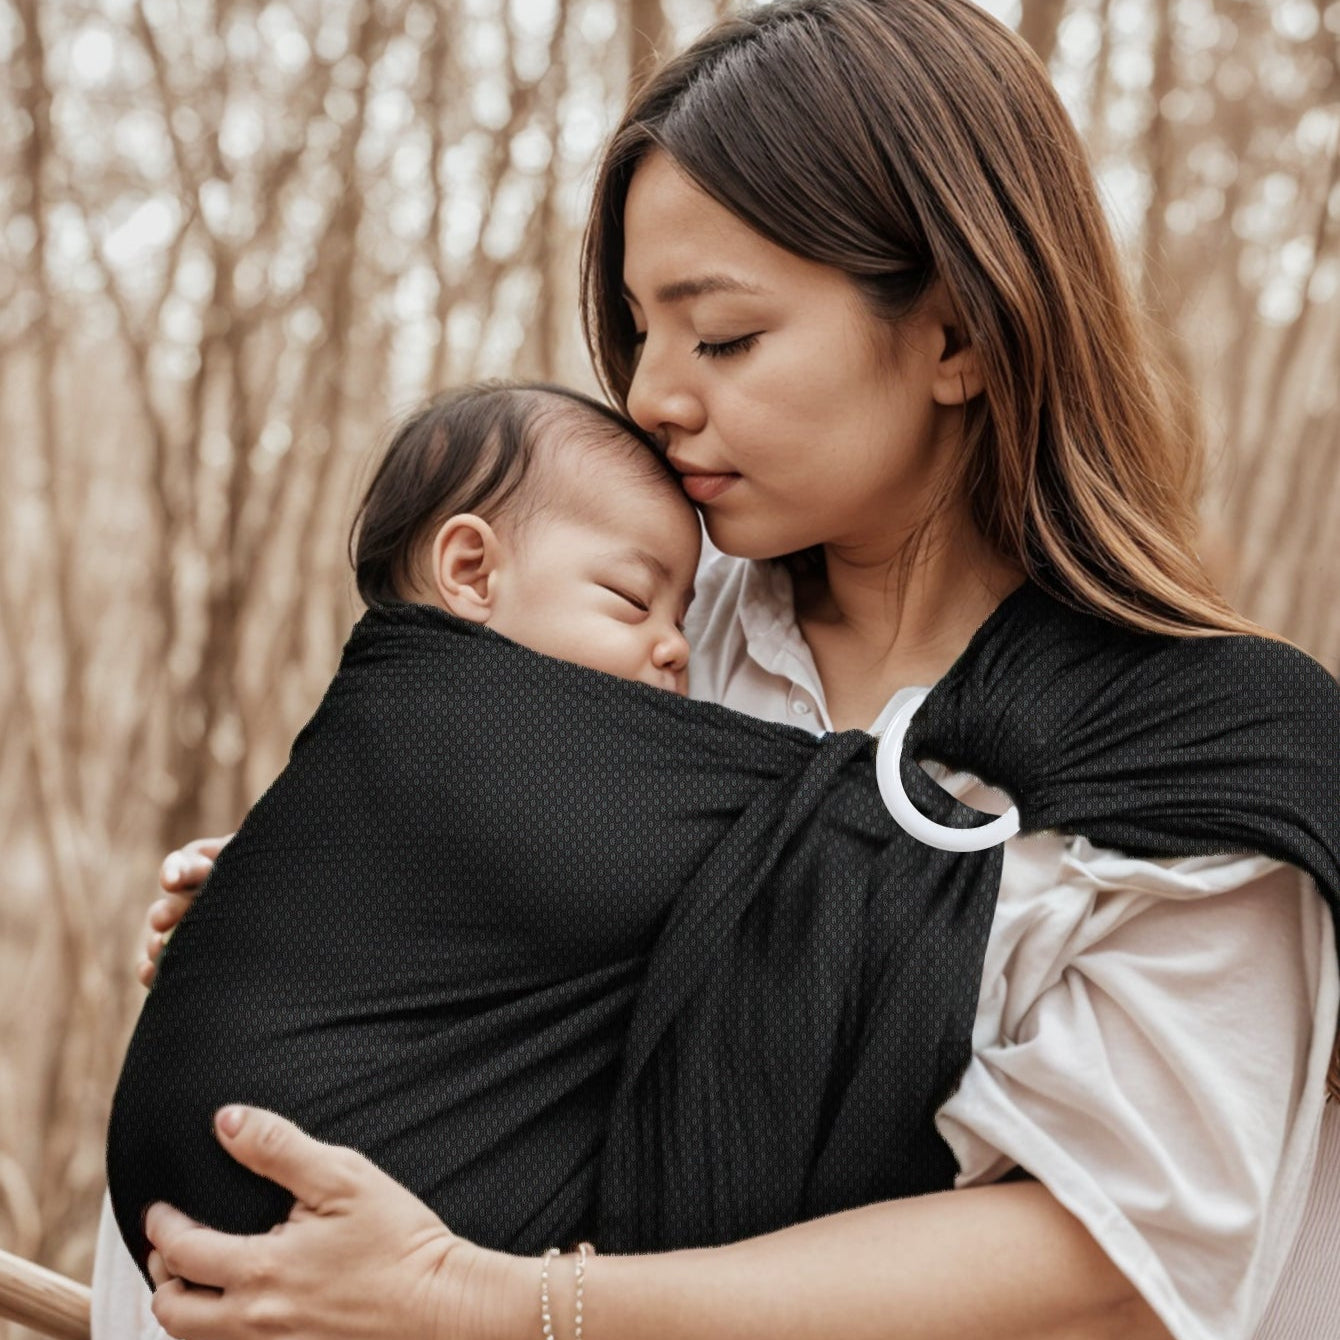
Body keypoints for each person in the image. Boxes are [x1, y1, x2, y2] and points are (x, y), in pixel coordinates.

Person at [93, 2, 1340, 1339]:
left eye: (723, 337)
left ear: (959, 335)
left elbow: (1112, 1259)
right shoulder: (639, 631)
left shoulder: (1208, 756)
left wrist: (507, 1305)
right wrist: (330, 923)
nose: (651, 398)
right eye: (639, 332)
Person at [103, 379, 701, 1275]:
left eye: (684, 615)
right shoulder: (444, 732)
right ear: (471, 572)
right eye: (631, 599)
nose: (677, 646)